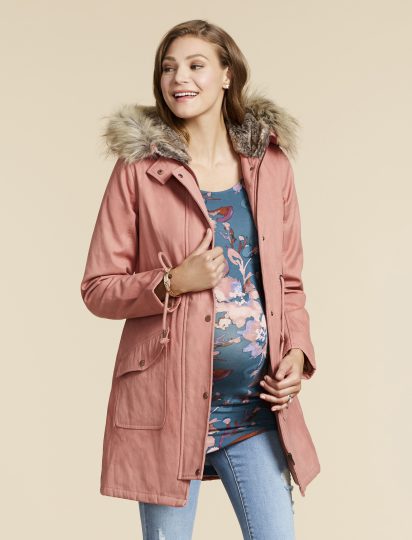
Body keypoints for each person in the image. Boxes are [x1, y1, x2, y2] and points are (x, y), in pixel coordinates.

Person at [80, 19, 319, 540]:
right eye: (168, 68)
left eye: (195, 65)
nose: (179, 78)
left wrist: (297, 352)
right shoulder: (139, 169)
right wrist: (171, 281)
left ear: (227, 75)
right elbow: (97, 287)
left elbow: (288, 283)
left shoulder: (270, 163)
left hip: (254, 407)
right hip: (168, 407)